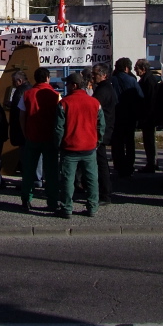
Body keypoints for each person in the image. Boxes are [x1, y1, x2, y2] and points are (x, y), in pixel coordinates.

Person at [53, 72, 105, 218]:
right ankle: (92, 207)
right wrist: (97, 141)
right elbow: (101, 125)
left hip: (70, 147)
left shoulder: (64, 103)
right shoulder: (95, 102)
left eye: (68, 84)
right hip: (89, 147)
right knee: (91, 179)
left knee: (68, 180)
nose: (66, 86)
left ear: (74, 85)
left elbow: (59, 128)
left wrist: (58, 144)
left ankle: (67, 208)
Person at [19, 67, 61, 213]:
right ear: (48, 78)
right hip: (50, 137)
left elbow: (22, 117)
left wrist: (25, 133)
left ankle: (26, 198)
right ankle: (52, 200)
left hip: (32, 135)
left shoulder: (27, 94)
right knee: (51, 171)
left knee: (29, 170)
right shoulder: (55, 95)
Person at [111, 57, 144, 178]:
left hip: (116, 115)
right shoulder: (132, 80)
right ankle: (129, 166)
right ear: (127, 68)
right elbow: (140, 97)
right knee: (129, 142)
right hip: (130, 115)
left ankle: (118, 165)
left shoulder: (112, 80)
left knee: (117, 142)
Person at [91, 64, 117, 204]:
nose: (93, 76)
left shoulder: (104, 90)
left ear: (104, 75)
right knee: (99, 162)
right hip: (103, 129)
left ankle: (105, 194)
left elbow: (94, 108)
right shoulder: (104, 88)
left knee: (101, 163)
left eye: (95, 74)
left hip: (101, 131)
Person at [134, 59, 161, 173]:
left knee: (149, 139)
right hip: (148, 115)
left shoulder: (148, 81)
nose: (135, 70)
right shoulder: (148, 79)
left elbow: (150, 100)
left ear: (143, 69)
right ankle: (152, 162)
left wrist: (147, 115)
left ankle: (152, 162)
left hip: (149, 116)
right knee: (148, 139)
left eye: (137, 68)